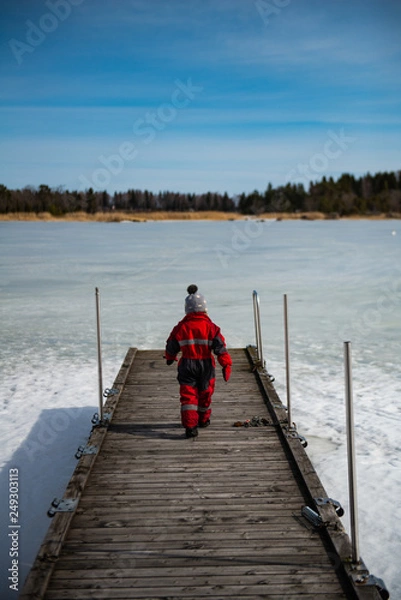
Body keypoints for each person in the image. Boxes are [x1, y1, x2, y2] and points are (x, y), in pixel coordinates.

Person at [165, 285, 232, 438]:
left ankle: (190, 427)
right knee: (205, 393)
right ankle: (203, 419)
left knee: (188, 396)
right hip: (206, 365)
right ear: (204, 309)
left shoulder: (181, 327)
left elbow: (171, 344)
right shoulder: (211, 327)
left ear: (187, 310)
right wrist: (226, 363)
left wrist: (170, 357)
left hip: (187, 365)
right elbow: (220, 347)